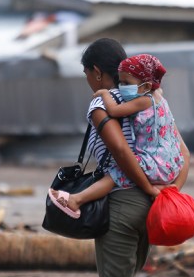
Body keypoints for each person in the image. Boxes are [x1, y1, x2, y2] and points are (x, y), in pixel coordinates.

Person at [71, 38, 191, 277]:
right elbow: (182, 153)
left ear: (96, 72)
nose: (88, 80)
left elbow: (121, 151)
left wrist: (144, 187)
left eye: (86, 72)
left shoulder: (100, 102)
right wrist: (166, 193)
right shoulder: (155, 100)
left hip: (124, 201)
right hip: (151, 206)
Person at [48, 53, 183, 218]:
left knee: (115, 173)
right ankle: (159, 187)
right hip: (170, 164)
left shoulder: (144, 100)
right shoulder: (159, 98)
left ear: (147, 87)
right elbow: (186, 153)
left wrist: (104, 94)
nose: (121, 87)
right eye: (120, 82)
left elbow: (114, 113)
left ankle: (77, 199)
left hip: (153, 163)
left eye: (126, 83)